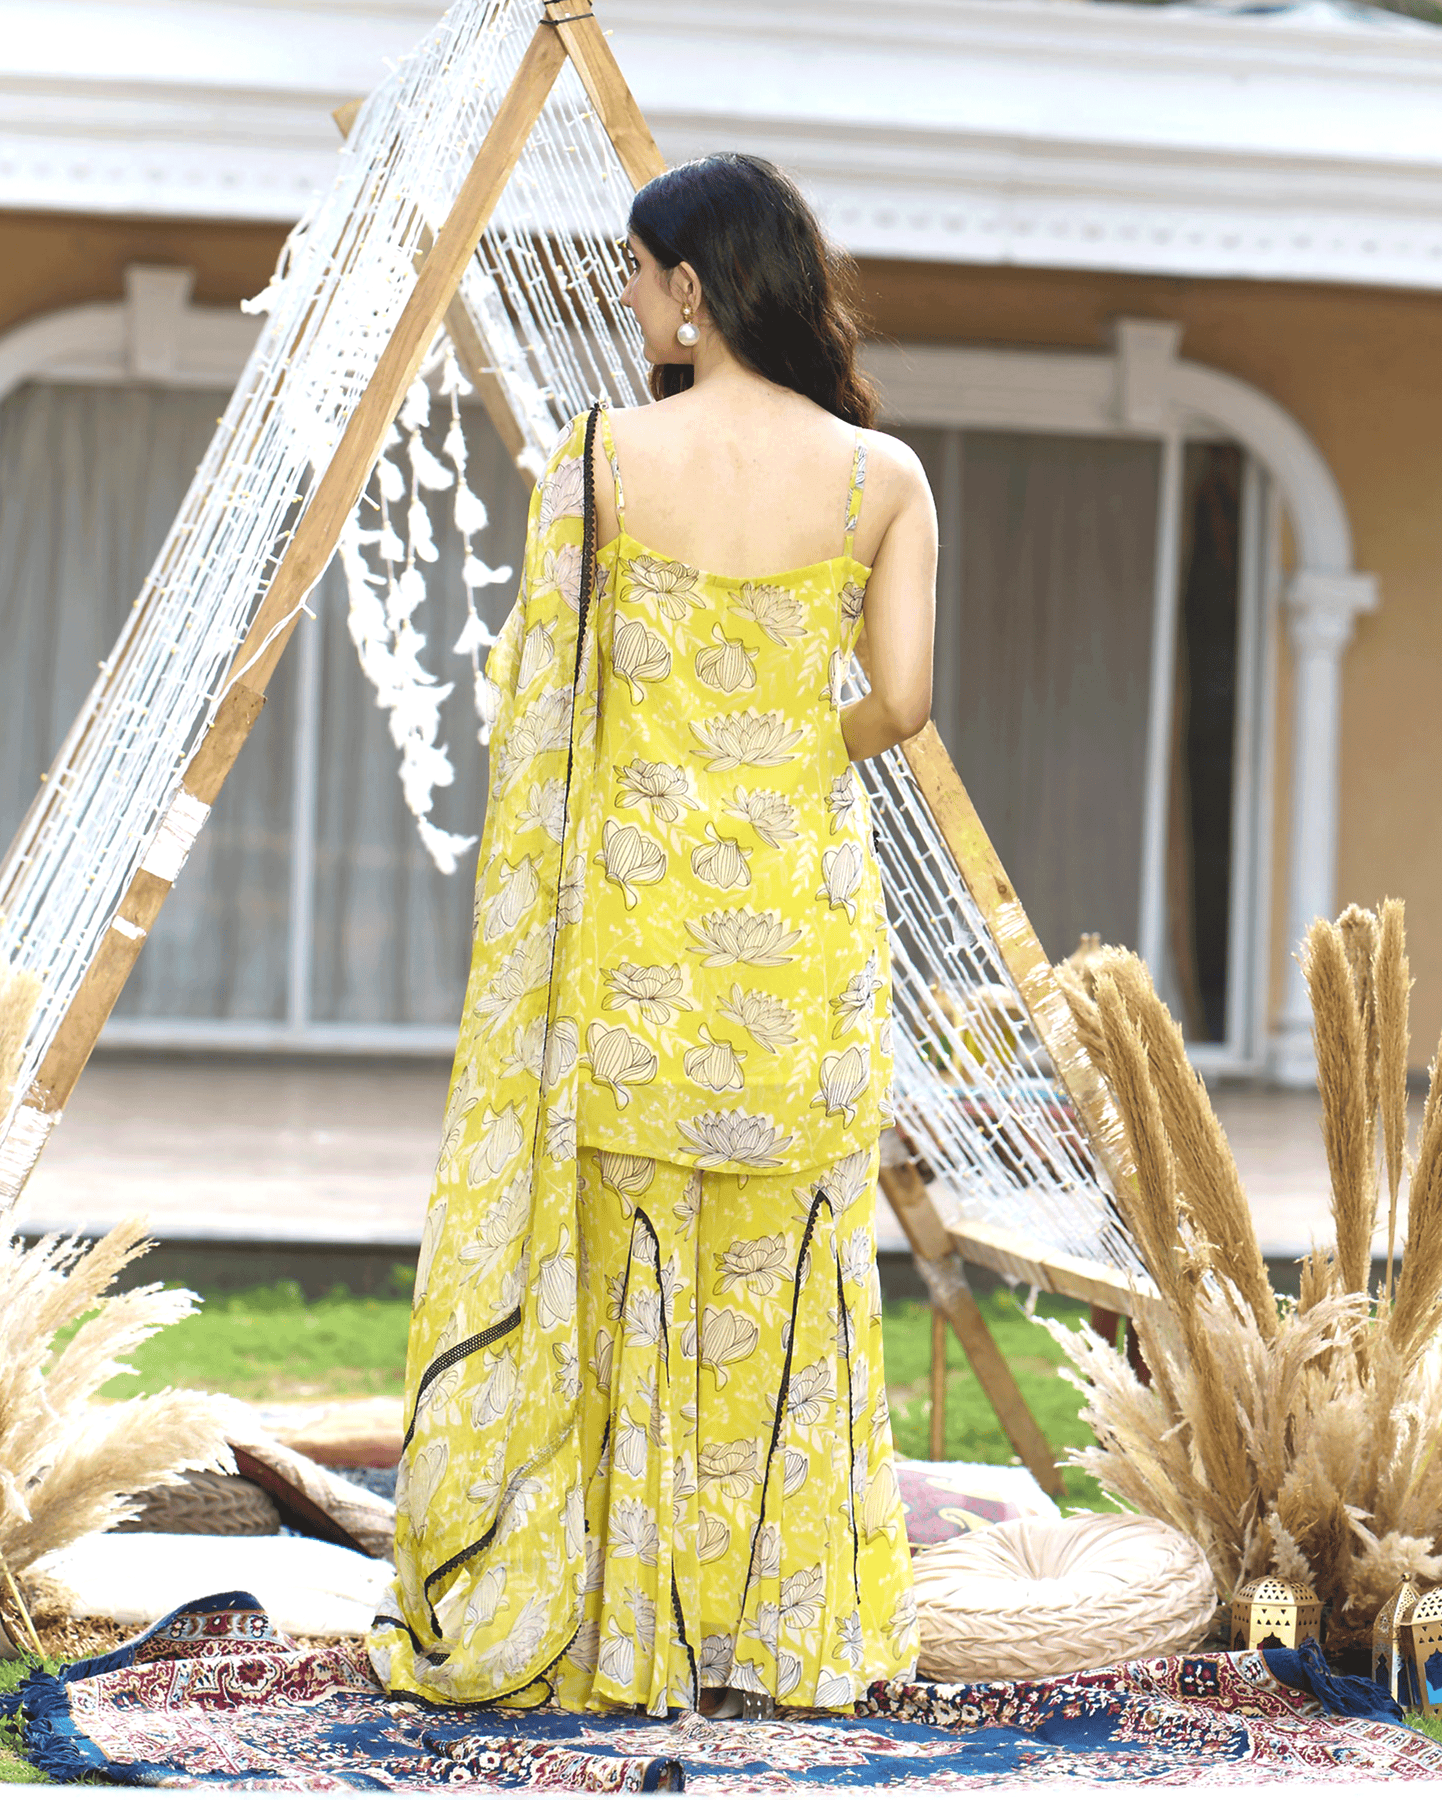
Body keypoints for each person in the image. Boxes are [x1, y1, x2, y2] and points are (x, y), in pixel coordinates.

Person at [368, 152, 938, 1721]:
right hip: (803, 931)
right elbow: (901, 702)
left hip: (635, 934)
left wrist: (661, 774)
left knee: (632, 1271)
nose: (626, 297)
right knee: (787, 1265)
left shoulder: (602, 460)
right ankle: (780, 1636)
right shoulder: (881, 477)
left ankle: (631, 1636)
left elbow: (538, 707)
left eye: (635, 270)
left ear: (691, 285)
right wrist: (783, 750)